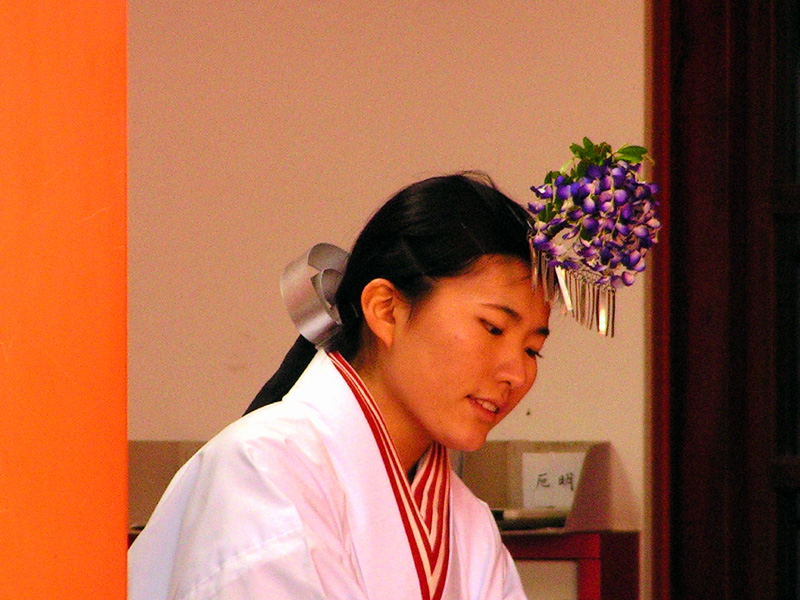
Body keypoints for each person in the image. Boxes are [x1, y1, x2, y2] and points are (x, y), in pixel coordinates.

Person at [128, 172, 552, 600]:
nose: (516, 374)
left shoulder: (467, 524)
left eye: (532, 350)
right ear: (386, 310)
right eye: (493, 328)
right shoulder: (261, 469)